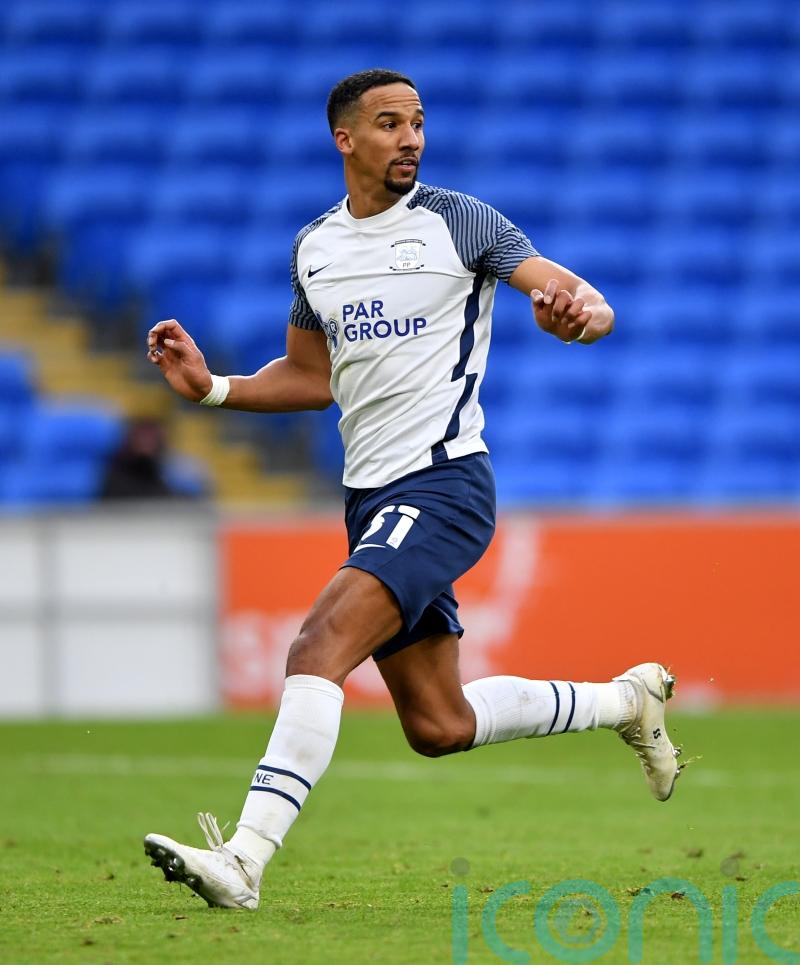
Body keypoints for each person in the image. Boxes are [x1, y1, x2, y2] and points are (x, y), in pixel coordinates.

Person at [143, 69, 683, 911]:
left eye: (418, 123)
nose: (411, 139)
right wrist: (212, 387)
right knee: (439, 725)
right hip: (370, 499)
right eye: (390, 123)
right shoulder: (315, 247)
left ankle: (244, 860)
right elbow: (310, 374)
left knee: (317, 644)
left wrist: (580, 312)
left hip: (444, 483)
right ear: (345, 139)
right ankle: (626, 699)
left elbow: (571, 292)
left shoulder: (459, 221)